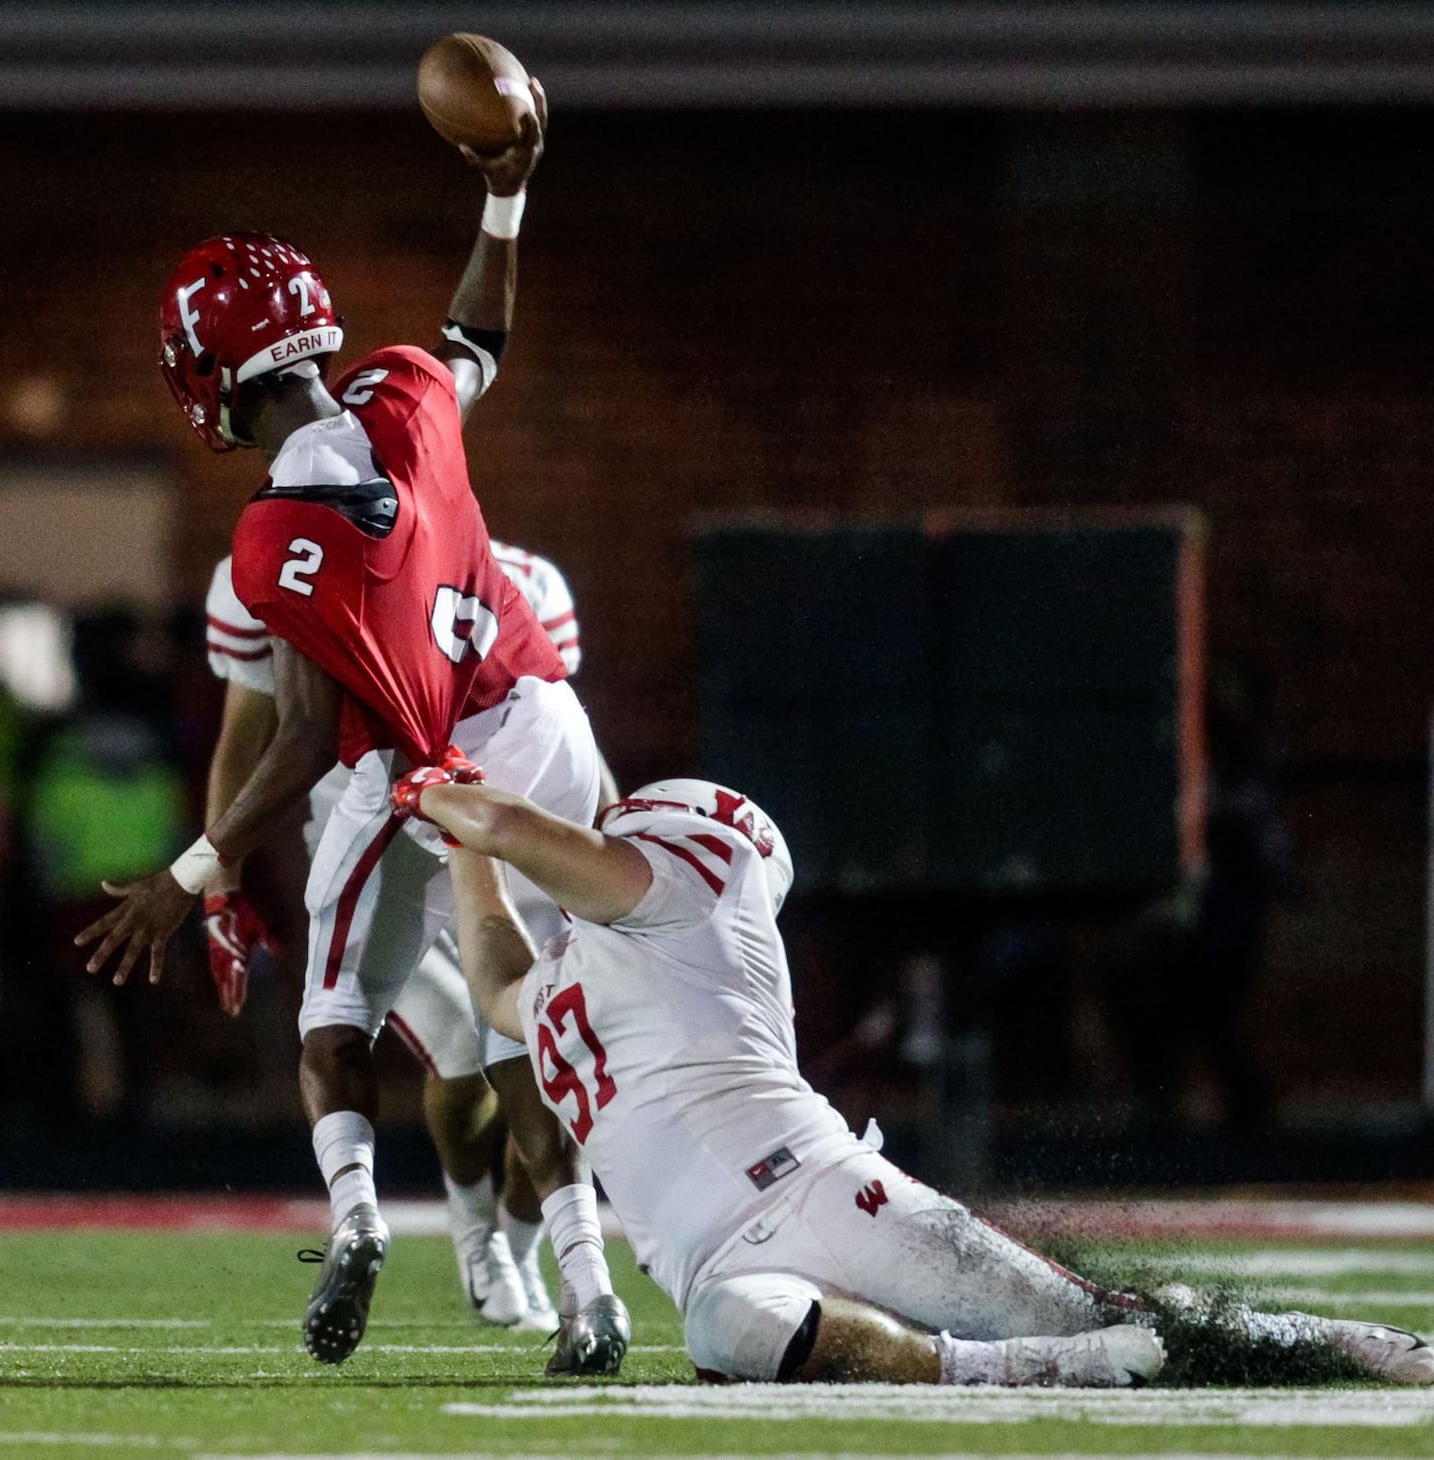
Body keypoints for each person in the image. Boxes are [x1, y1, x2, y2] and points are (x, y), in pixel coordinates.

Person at [77, 85, 629, 1376]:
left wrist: (187, 877)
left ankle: (362, 1220)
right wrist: (506, 193)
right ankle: (594, 1295)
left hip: (420, 769)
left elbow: (302, 737)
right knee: (516, 1027)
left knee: (337, 1012)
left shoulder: (271, 543)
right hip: (540, 720)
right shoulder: (404, 391)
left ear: (211, 376)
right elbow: (475, 339)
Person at [392, 764, 1434, 1388]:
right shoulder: (582, 974)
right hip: (721, 1263)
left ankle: (1355, 1344)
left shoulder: (688, 893)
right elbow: (495, 978)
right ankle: (1021, 1377)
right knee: (727, 1328)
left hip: (817, 1191)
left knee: (1104, 1314)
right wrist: (456, 846)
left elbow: (518, 828)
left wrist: (441, 786)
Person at [202, 539, 597, 1332]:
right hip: (377, 837)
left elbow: (561, 721)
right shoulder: (290, 560)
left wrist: (606, 858)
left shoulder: (525, 578)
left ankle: (523, 1250)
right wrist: (220, 883)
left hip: (487, 836)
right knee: (462, 1039)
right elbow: (248, 738)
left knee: (545, 1049)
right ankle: (475, 1230)